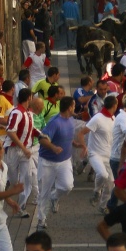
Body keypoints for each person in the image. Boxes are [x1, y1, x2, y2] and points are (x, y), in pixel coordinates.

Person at [37, 96, 77, 231]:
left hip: (64, 160)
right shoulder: (55, 122)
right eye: (74, 105)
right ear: (70, 107)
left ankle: (54, 197)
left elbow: (67, 137)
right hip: (47, 162)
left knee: (67, 186)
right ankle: (41, 220)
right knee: (44, 191)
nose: (74, 108)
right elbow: (42, 139)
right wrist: (53, 148)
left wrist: (75, 144)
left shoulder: (71, 120)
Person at [78, 96, 118, 214]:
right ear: (114, 106)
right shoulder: (97, 119)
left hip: (108, 155)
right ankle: (96, 191)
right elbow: (81, 133)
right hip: (95, 154)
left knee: (111, 183)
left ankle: (103, 205)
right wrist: (85, 147)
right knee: (102, 174)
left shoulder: (113, 118)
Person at [4, 88, 40, 218]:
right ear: (29, 98)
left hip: (26, 152)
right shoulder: (16, 112)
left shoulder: (28, 113)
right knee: (15, 181)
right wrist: (23, 148)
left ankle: (21, 207)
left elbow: (32, 129)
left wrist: (41, 135)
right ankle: (5, 189)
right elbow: (10, 131)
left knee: (26, 178)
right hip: (14, 150)